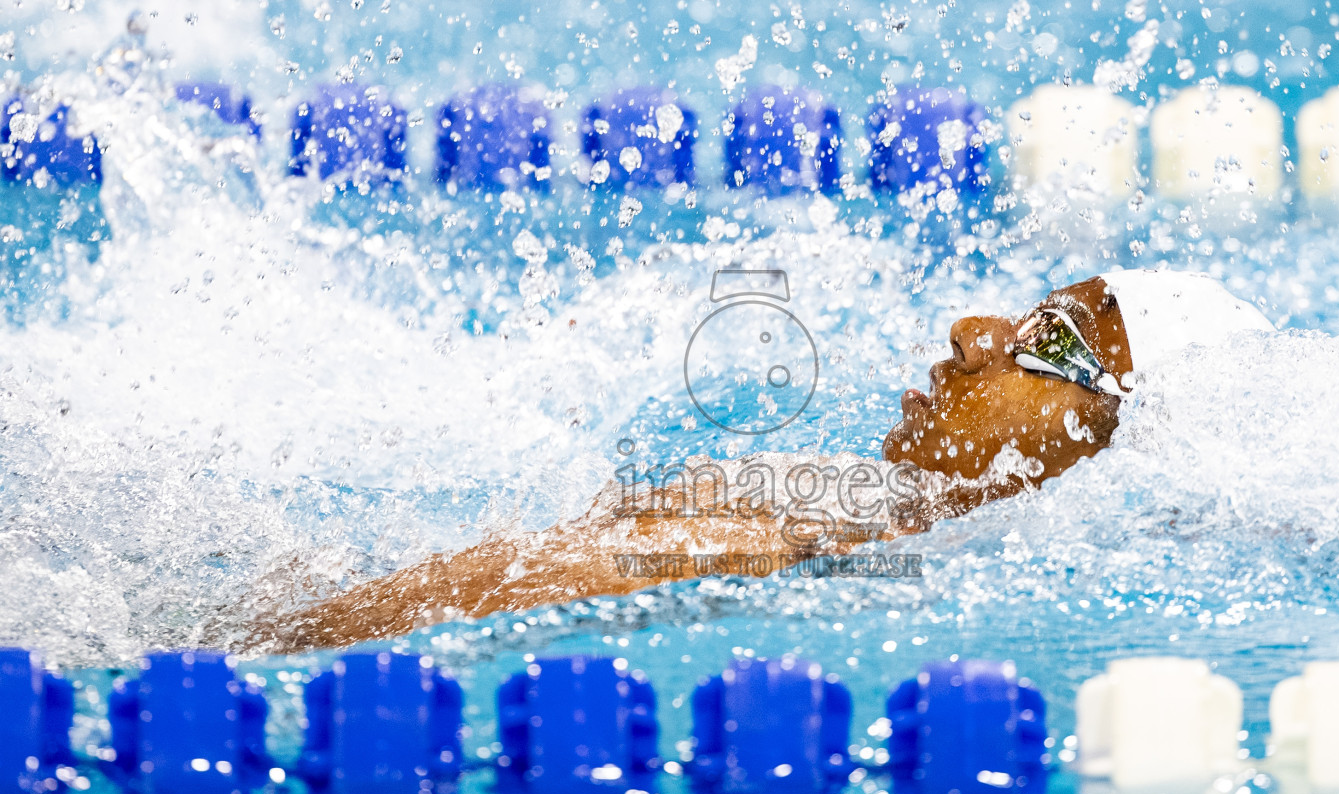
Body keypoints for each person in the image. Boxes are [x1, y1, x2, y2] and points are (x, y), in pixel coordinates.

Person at [256, 268, 1274, 652]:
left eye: (1047, 344)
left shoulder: (833, 534)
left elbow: (498, 593)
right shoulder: (861, 499)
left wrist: (234, 641)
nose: (975, 331)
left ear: (1096, 444)